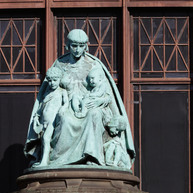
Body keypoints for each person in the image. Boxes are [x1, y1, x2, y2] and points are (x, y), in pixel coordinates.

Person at [24, 29, 135, 169]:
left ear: (86, 46)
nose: (77, 49)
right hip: (66, 105)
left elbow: (108, 95)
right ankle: (59, 160)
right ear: (67, 46)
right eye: (74, 46)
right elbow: (48, 92)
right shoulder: (59, 64)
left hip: (92, 105)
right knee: (63, 117)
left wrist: (99, 101)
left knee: (94, 115)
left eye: (81, 46)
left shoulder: (95, 65)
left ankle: (92, 156)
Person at [31, 66, 69, 166]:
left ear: (60, 79)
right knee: (43, 141)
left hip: (53, 121)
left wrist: (63, 108)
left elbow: (66, 103)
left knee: (46, 139)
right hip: (44, 122)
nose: (52, 83)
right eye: (50, 80)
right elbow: (41, 106)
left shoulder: (62, 91)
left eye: (55, 80)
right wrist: (36, 117)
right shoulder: (47, 93)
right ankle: (42, 159)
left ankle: (44, 161)